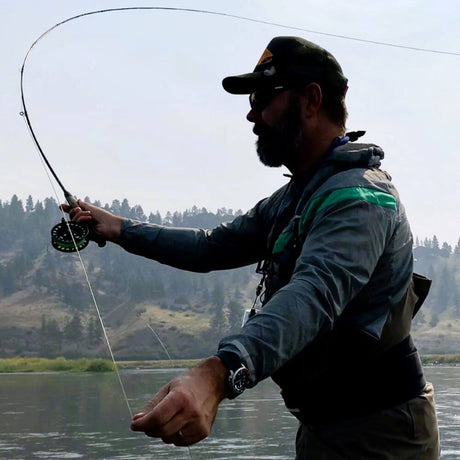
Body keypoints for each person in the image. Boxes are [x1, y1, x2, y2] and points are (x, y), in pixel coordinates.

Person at [64, 37, 439, 458]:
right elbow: (211, 248)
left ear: (311, 99)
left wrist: (219, 372)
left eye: (262, 98)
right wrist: (117, 228)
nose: (251, 114)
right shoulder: (297, 197)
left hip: (384, 435)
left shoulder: (361, 199)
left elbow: (314, 293)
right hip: (322, 428)